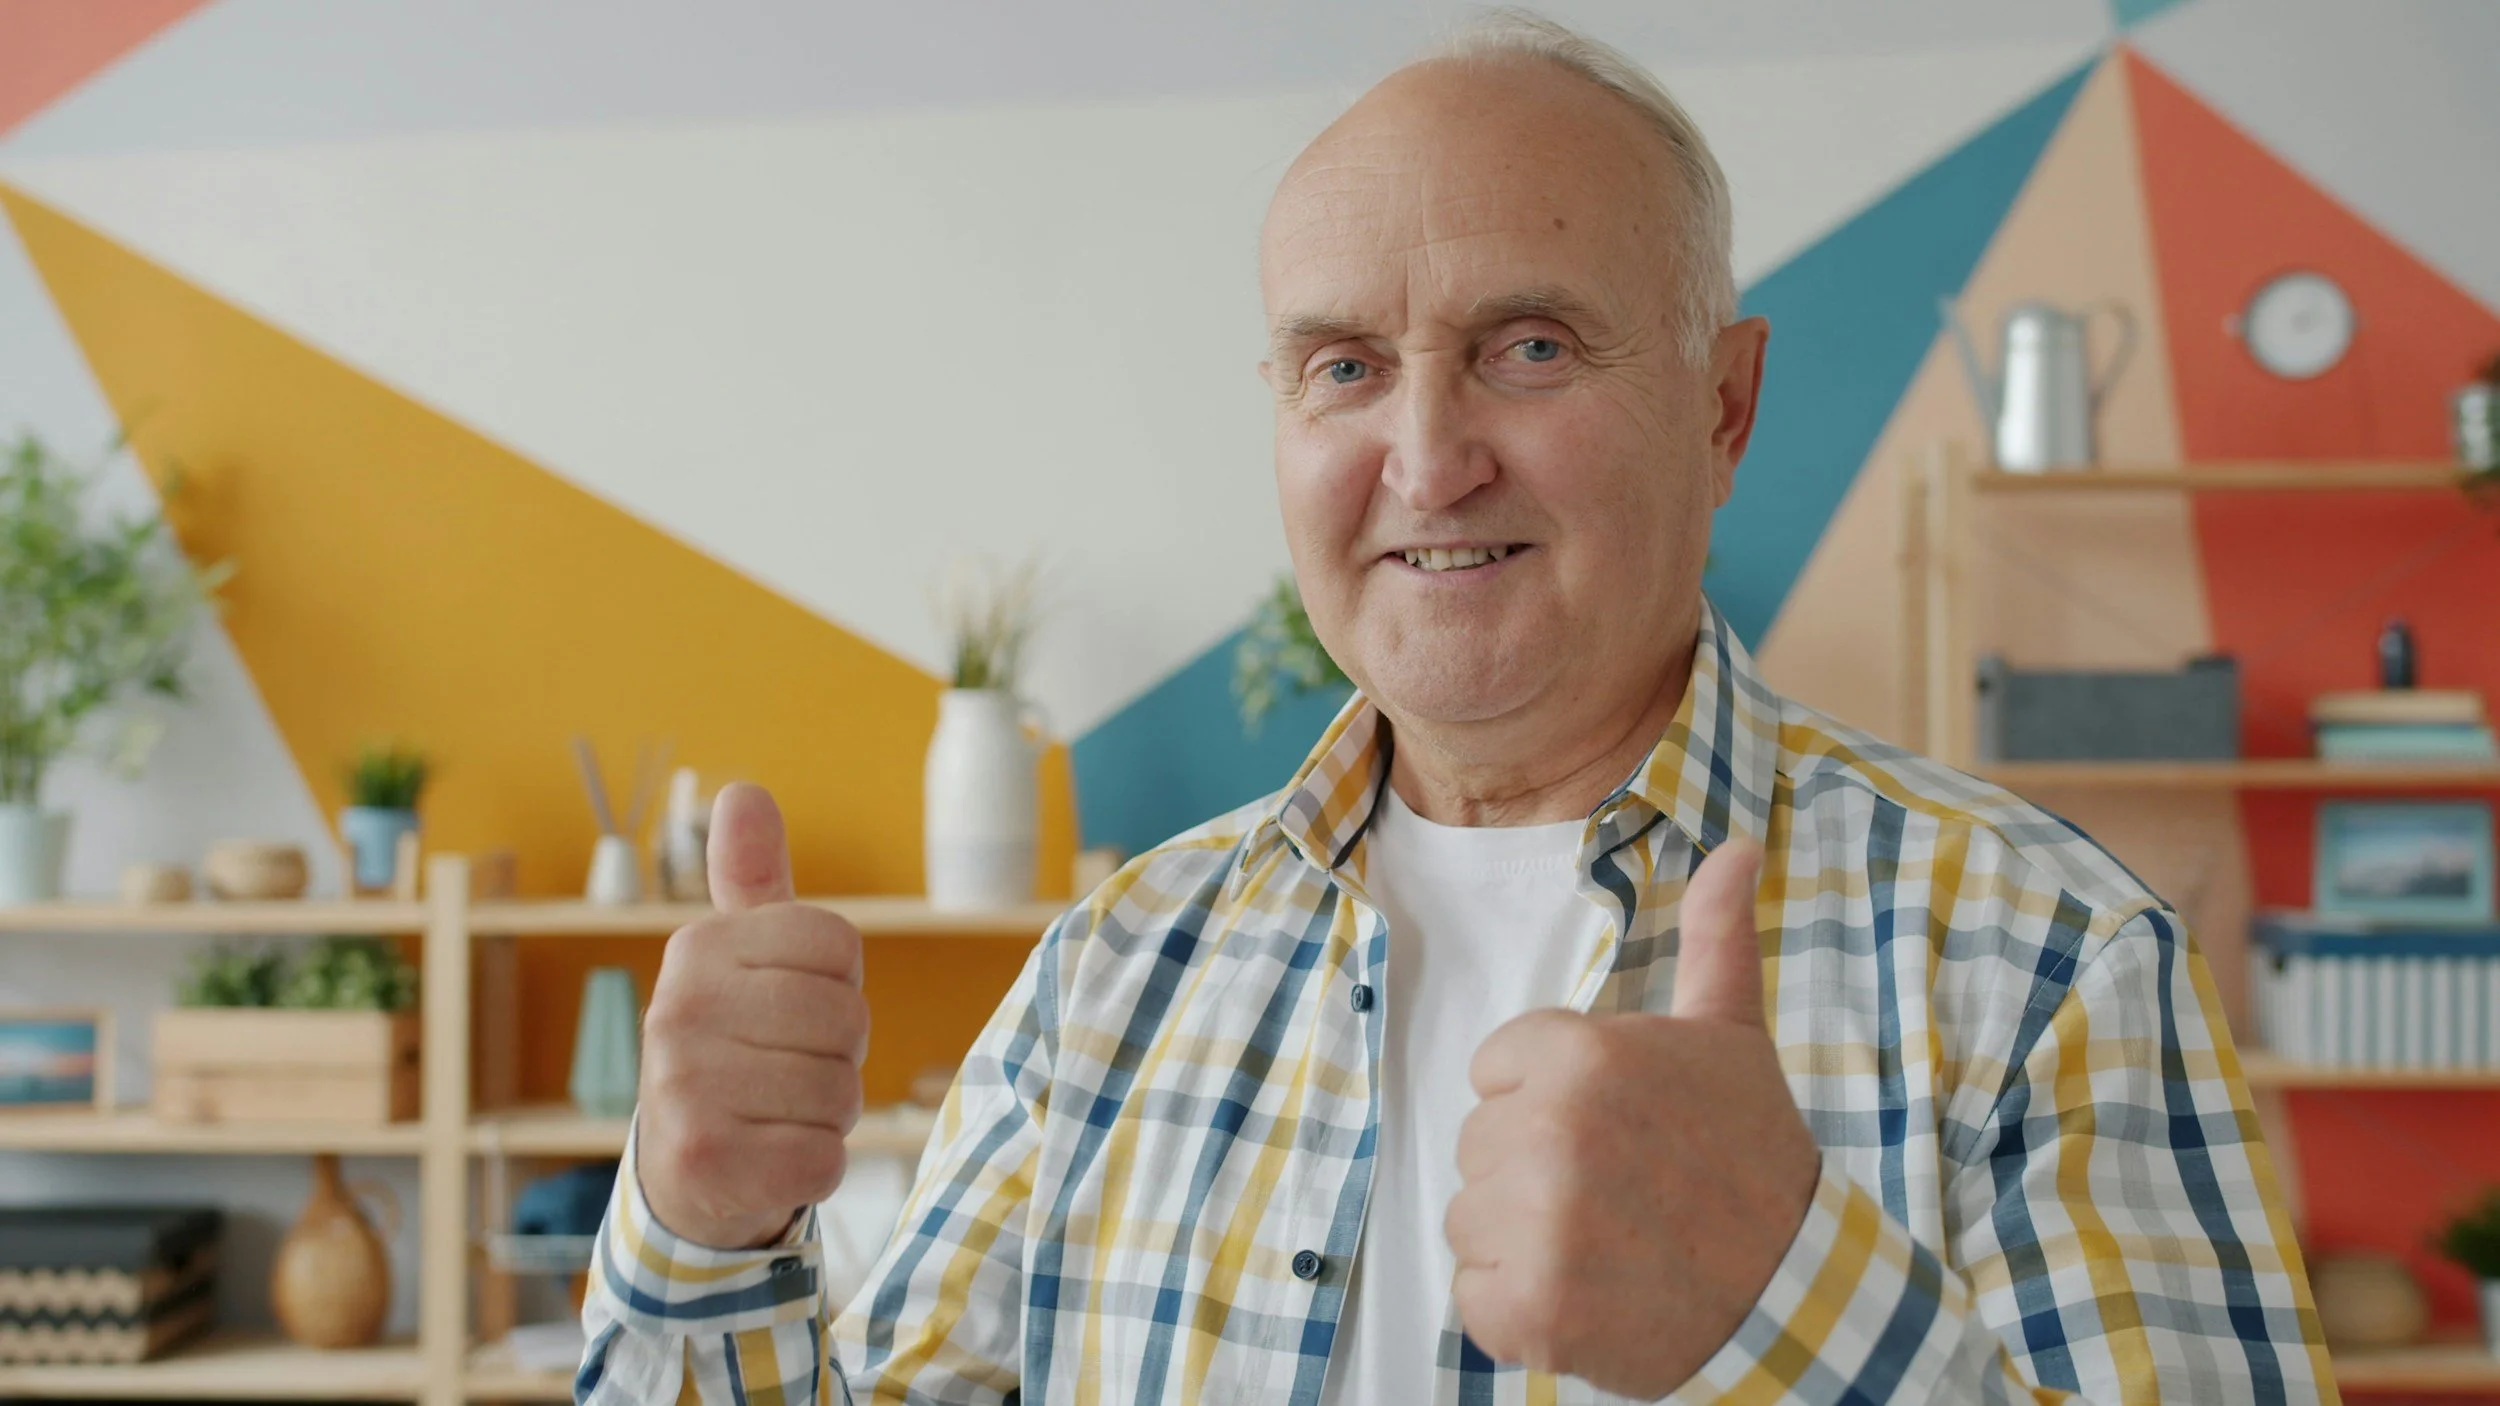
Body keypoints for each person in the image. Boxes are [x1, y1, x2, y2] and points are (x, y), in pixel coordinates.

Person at [580, 11, 2327, 1403]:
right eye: (1344, 366)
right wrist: (704, 1235)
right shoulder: (1117, 971)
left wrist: (1805, 1322)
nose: (1426, 457)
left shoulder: (2045, 962)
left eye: (1532, 346)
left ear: (1725, 409)